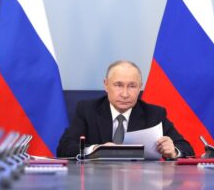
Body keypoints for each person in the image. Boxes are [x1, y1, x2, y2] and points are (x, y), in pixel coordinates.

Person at [56, 60, 194, 159]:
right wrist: (96, 150)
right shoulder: (88, 110)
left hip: (141, 185)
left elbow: (186, 148)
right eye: (118, 85)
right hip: (98, 184)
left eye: (132, 86)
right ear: (106, 85)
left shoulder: (154, 114)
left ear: (140, 87)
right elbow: (64, 148)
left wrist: (174, 151)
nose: (125, 94)